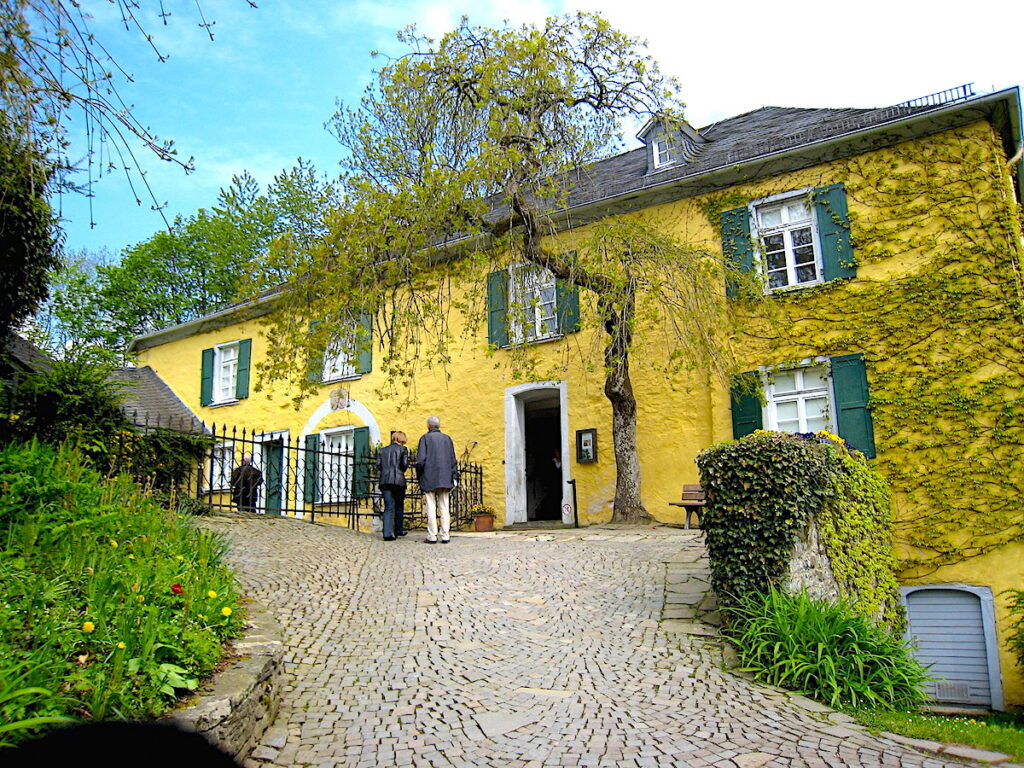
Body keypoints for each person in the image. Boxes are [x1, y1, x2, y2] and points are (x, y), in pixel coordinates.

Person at [415, 415, 458, 544]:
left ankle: (432, 535)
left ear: (428, 426)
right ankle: (445, 535)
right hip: (445, 477)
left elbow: (421, 460)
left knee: (431, 506)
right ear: (438, 426)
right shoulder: (447, 439)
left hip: (429, 477)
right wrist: (453, 476)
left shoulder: (425, 439)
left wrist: (419, 474)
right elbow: (453, 460)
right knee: (445, 506)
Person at [376, 430, 409, 541]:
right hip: (398, 481)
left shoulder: (382, 450)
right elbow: (404, 465)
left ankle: (387, 533)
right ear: (402, 439)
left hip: (385, 481)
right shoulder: (403, 450)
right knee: (399, 505)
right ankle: (398, 530)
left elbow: (378, 465)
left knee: (389, 506)